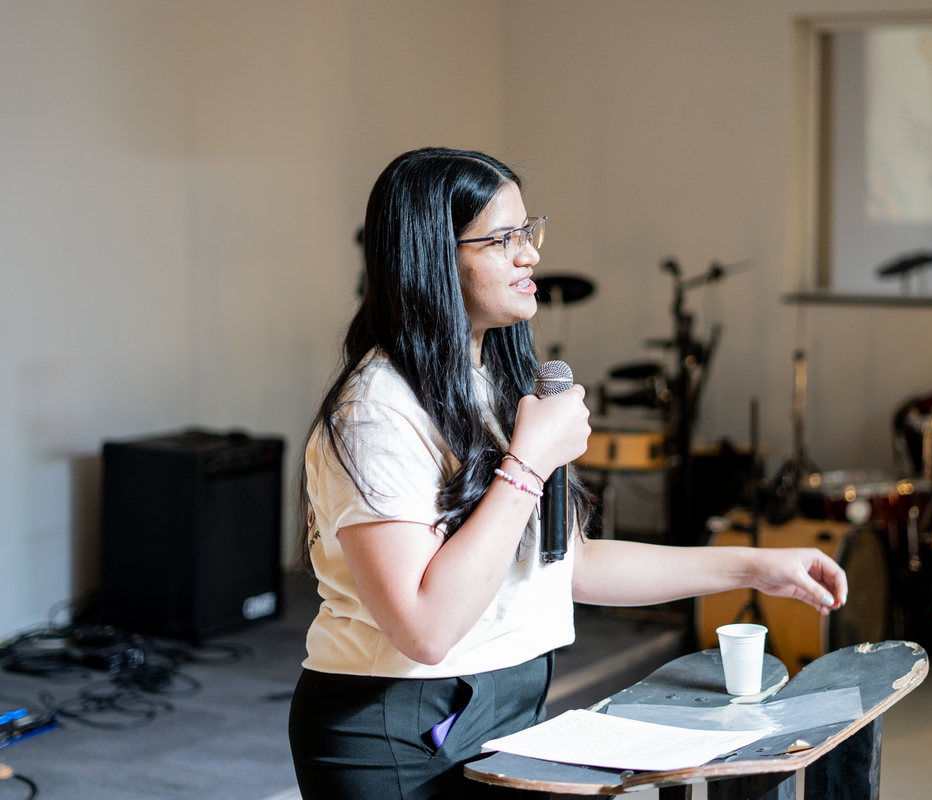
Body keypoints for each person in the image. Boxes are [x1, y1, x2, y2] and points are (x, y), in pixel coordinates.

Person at [288, 147, 849, 800]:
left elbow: (570, 565)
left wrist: (752, 566)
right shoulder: (378, 407)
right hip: (397, 728)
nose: (529, 256)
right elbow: (424, 627)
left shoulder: (494, 384)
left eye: (528, 232)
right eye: (502, 239)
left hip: (503, 705)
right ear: (430, 258)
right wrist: (528, 464)